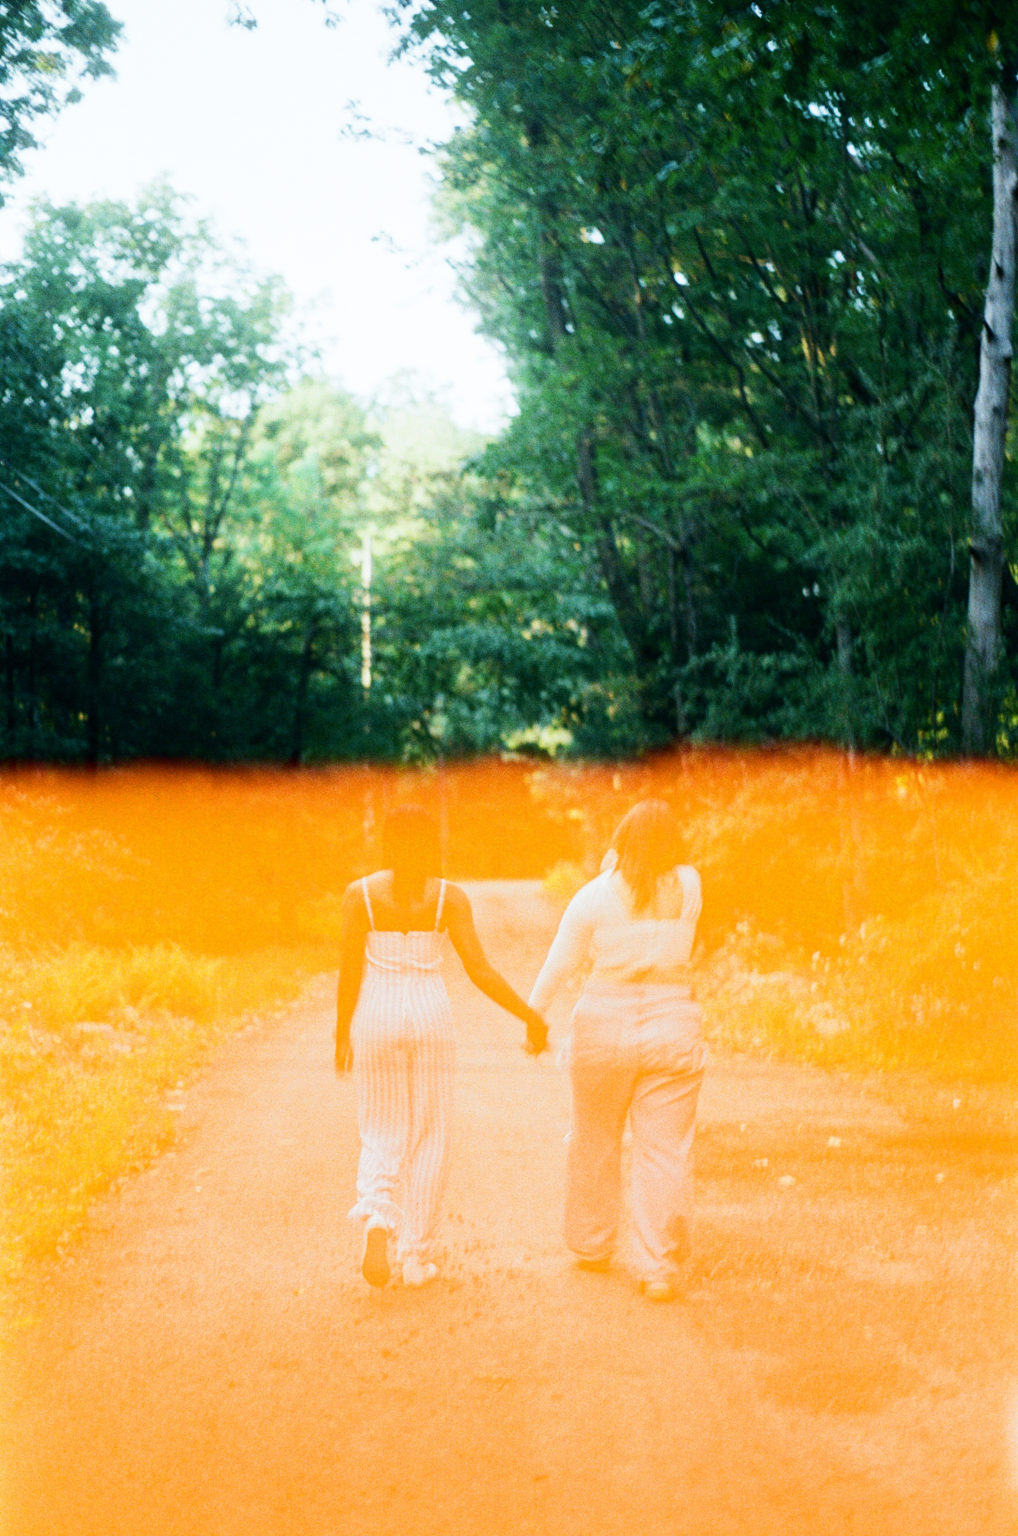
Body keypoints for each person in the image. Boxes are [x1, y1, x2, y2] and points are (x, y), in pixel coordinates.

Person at [335, 805, 548, 1289]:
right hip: (431, 1018)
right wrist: (529, 1015)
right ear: (432, 843)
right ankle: (415, 1258)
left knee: (381, 1126)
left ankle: (377, 1220)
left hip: (377, 1017)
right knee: (431, 1133)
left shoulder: (359, 895)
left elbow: (349, 970)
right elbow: (480, 970)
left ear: (388, 841)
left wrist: (341, 1032)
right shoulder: (449, 898)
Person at [528, 799, 705, 1301]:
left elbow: (560, 963)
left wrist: (534, 1017)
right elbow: (662, 884)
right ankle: (658, 1268)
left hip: (603, 1027)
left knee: (594, 1139)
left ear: (620, 843)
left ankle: (592, 1244)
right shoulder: (691, 886)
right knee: (663, 1152)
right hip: (673, 1026)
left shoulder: (593, 897)